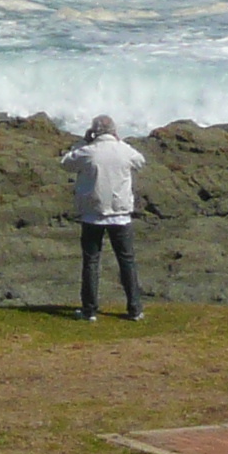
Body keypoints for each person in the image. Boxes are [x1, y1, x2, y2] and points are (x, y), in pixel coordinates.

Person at [62, 114, 145, 321]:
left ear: (94, 131)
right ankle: (134, 309)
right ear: (114, 131)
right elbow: (140, 161)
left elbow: (66, 162)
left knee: (91, 262)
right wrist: (119, 140)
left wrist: (83, 140)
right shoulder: (124, 151)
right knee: (127, 261)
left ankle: (90, 310)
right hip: (120, 215)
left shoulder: (88, 151)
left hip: (93, 215)